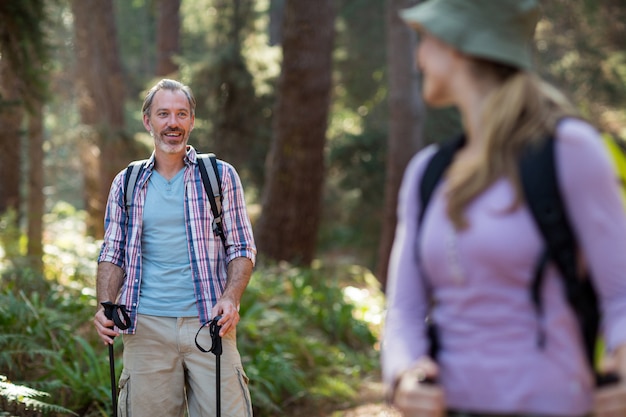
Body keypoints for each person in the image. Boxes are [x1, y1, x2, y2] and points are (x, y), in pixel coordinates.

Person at [381, 1, 626, 416]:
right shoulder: (427, 172)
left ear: (457, 45)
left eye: (425, 39)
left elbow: (620, 295)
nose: (420, 57)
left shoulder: (570, 150)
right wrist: (404, 373)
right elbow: (405, 309)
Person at [93, 78, 256, 417]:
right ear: (148, 121)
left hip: (209, 323)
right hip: (145, 325)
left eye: (181, 114)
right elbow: (113, 252)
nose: (173, 123)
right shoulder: (127, 182)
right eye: (163, 114)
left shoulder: (219, 176)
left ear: (192, 121)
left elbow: (241, 247)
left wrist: (231, 298)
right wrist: (106, 305)